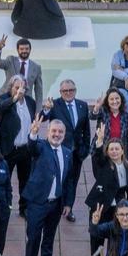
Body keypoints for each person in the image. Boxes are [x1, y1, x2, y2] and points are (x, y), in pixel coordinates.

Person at [20, 117, 72, 256]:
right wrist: (33, 133)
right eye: (53, 131)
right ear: (47, 132)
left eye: (60, 132)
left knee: (49, 237)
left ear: (64, 134)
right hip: (37, 203)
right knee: (33, 238)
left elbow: (69, 180)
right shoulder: (41, 146)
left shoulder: (67, 152)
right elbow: (32, 147)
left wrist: (68, 203)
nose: (57, 134)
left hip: (56, 204)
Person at [86, 124, 128, 256]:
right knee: (97, 240)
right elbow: (97, 157)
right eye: (111, 149)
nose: (114, 152)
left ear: (122, 151)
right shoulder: (104, 164)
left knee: (115, 240)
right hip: (100, 206)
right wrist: (100, 141)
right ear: (107, 151)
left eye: (117, 149)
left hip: (118, 209)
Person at [43, 79, 91, 222]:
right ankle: (53, 207)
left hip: (76, 153)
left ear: (75, 90)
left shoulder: (82, 105)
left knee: (72, 181)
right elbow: (42, 117)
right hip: (58, 151)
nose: (68, 93)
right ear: (60, 92)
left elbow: (86, 130)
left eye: (71, 90)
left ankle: (68, 207)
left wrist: (85, 149)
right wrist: (46, 108)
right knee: (57, 179)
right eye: (65, 91)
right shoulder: (55, 105)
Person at [0, 75, 37, 218]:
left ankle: (23, 208)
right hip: (9, 149)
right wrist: (15, 98)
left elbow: (36, 118)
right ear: (11, 88)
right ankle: (5, 206)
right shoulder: (4, 99)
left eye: (23, 88)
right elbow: (2, 107)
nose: (20, 90)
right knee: (4, 180)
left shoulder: (30, 102)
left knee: (25, 179)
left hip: (25, 148)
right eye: (17, 87)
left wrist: (47, 110)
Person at [0, 35, 43, 102]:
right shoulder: (10, 60)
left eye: (26, 49)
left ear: (30, 50)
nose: (24, 51)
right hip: (7, 99)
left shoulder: (36, 67)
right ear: (17, 50)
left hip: (25, 101)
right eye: (21, 49)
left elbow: (38, 91)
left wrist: (38, 110)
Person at [91, 89, 128, 161]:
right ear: (107, 101)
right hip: (102, 151)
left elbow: (127, 139)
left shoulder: (126, 116)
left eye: (117, 98)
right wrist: (96, 108)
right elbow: (92, 116)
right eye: (111, 99)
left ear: (121, 99)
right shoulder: (103, 112)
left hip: (117, 153)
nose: (115, 101)